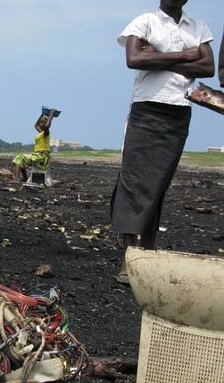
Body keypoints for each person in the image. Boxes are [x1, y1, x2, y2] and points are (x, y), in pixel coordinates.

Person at [111, 0, 215, 285]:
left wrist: (158, 55)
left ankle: (148, 252)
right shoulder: (145, 21)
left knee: (157, 186)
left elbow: (208, 67)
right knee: (133, 183)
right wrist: (184, 56)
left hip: (178, 112)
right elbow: (134, 59)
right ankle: (130, 257)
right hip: (147, 108)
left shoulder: (199, 27)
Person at [11, 108, 56, 183]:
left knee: (19, 157)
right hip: (37, 155)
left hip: (41, 156)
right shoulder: (41, 132)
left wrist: (51, 114)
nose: (40, 124)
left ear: (45, 124)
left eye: (42, 123)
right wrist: (42, 114)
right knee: (20, 160)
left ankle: (16, 179)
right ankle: (24, 178)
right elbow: (36, 125)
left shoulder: (46, 133)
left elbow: (48, 126)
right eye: (40, 122)